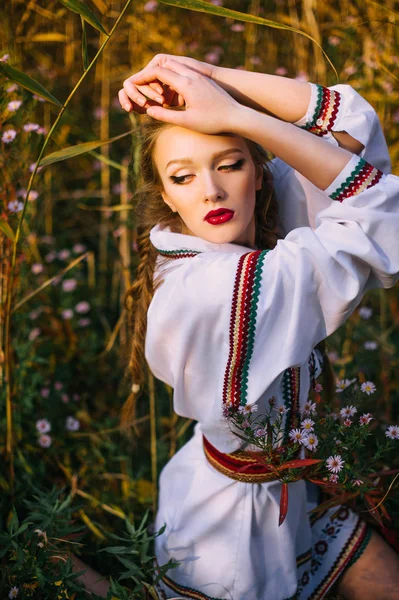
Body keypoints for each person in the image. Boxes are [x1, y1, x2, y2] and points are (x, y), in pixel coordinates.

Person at [118, 55, 399, 600]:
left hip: (294, 501)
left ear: (260, 174)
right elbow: (382, 211)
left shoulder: (255, 243)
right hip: (232, 532)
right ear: (165, 197)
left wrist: (211, 81)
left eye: (230, 165)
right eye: (183, 176)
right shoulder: (220, 288)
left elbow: (352, 133)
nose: (212, 192)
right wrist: (244, 123)